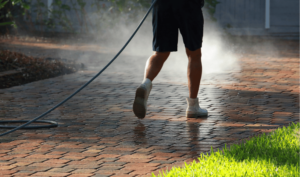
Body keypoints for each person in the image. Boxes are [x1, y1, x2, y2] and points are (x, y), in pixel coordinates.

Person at [133, 0, 207, 119]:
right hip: (188, 5)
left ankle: (145, 84)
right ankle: (193, 106)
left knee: (159, 53)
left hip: (163, 4)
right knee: (194, 54)